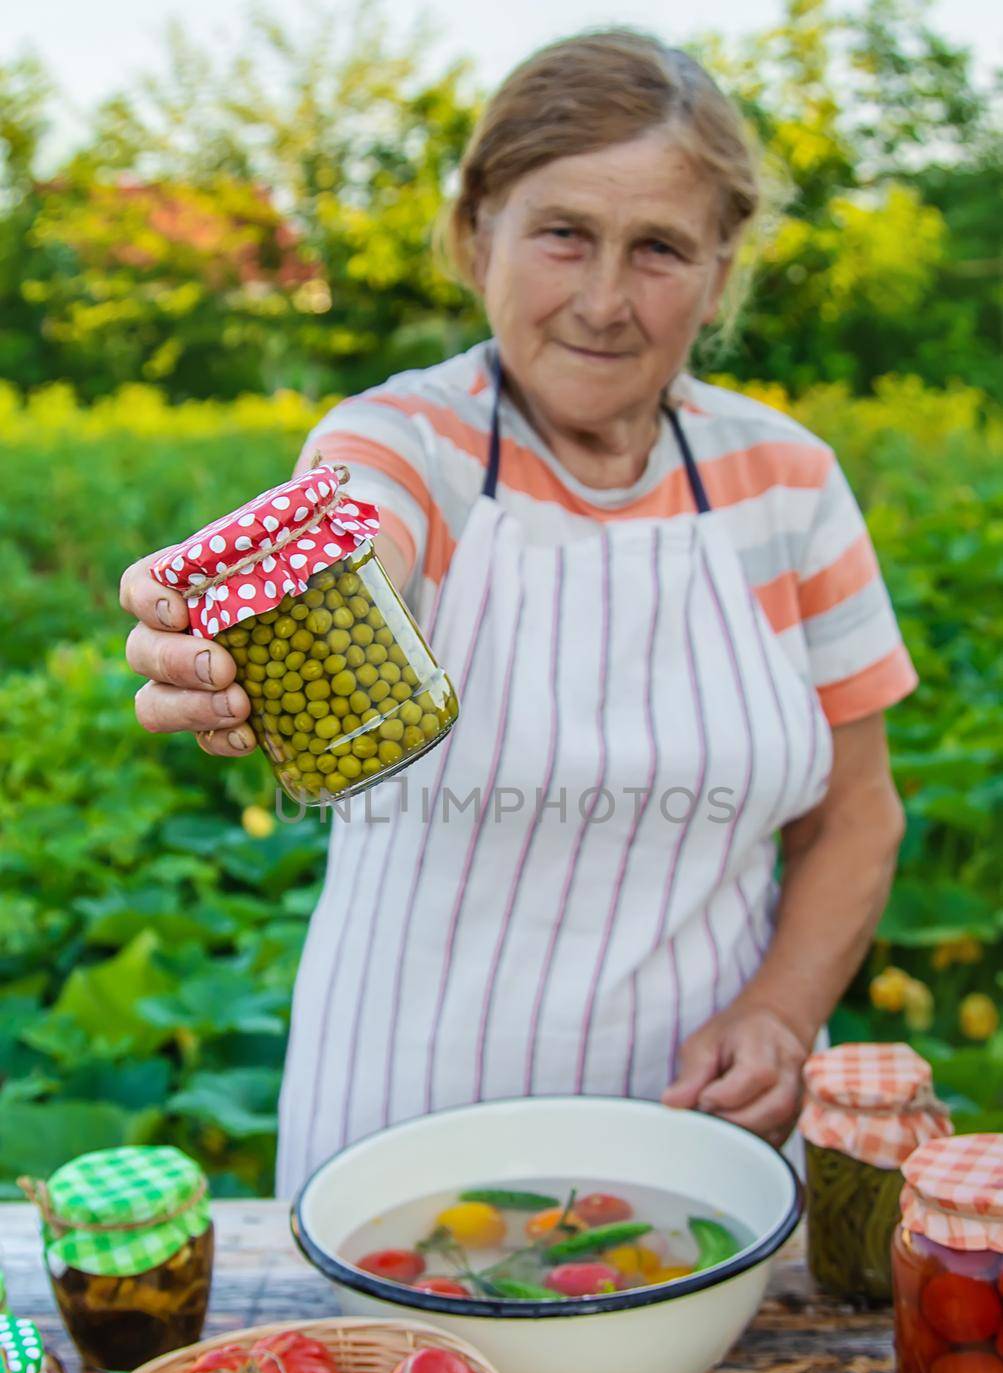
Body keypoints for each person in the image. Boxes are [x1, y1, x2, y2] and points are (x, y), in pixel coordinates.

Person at [121, 29, 916, 1198]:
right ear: (479, 224)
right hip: (402, 1134)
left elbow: (858, 815)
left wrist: (781, 1011)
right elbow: (357, 525)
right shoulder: (403, 439)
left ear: (721, 260)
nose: (603, 300)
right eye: (563, 235)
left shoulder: (785, 480)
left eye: (657, 248)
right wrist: (262, 608)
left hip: (700, 1146)